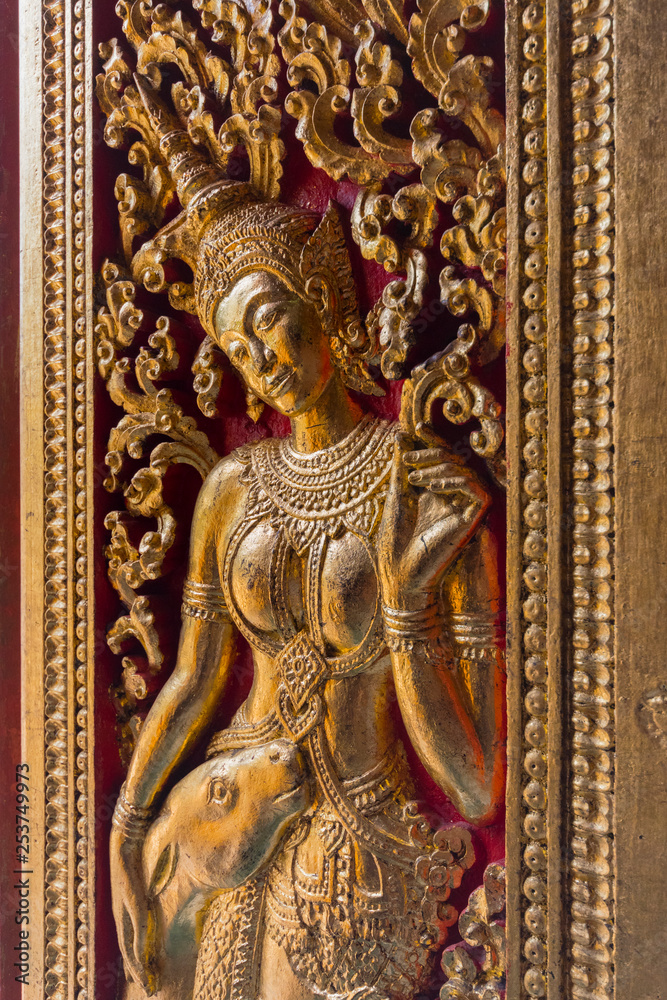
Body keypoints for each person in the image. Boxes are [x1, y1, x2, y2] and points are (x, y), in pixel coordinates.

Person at [109, 94, 504, 1000]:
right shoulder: (232, 490)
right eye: (238, 345)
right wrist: (130, 831)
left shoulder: (419, 483)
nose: (262, 359)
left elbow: (476, 788)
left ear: (323, 301)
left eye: (273, 320)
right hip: (227, 828)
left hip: (355, 859)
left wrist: (404, 609)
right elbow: (197, 678)